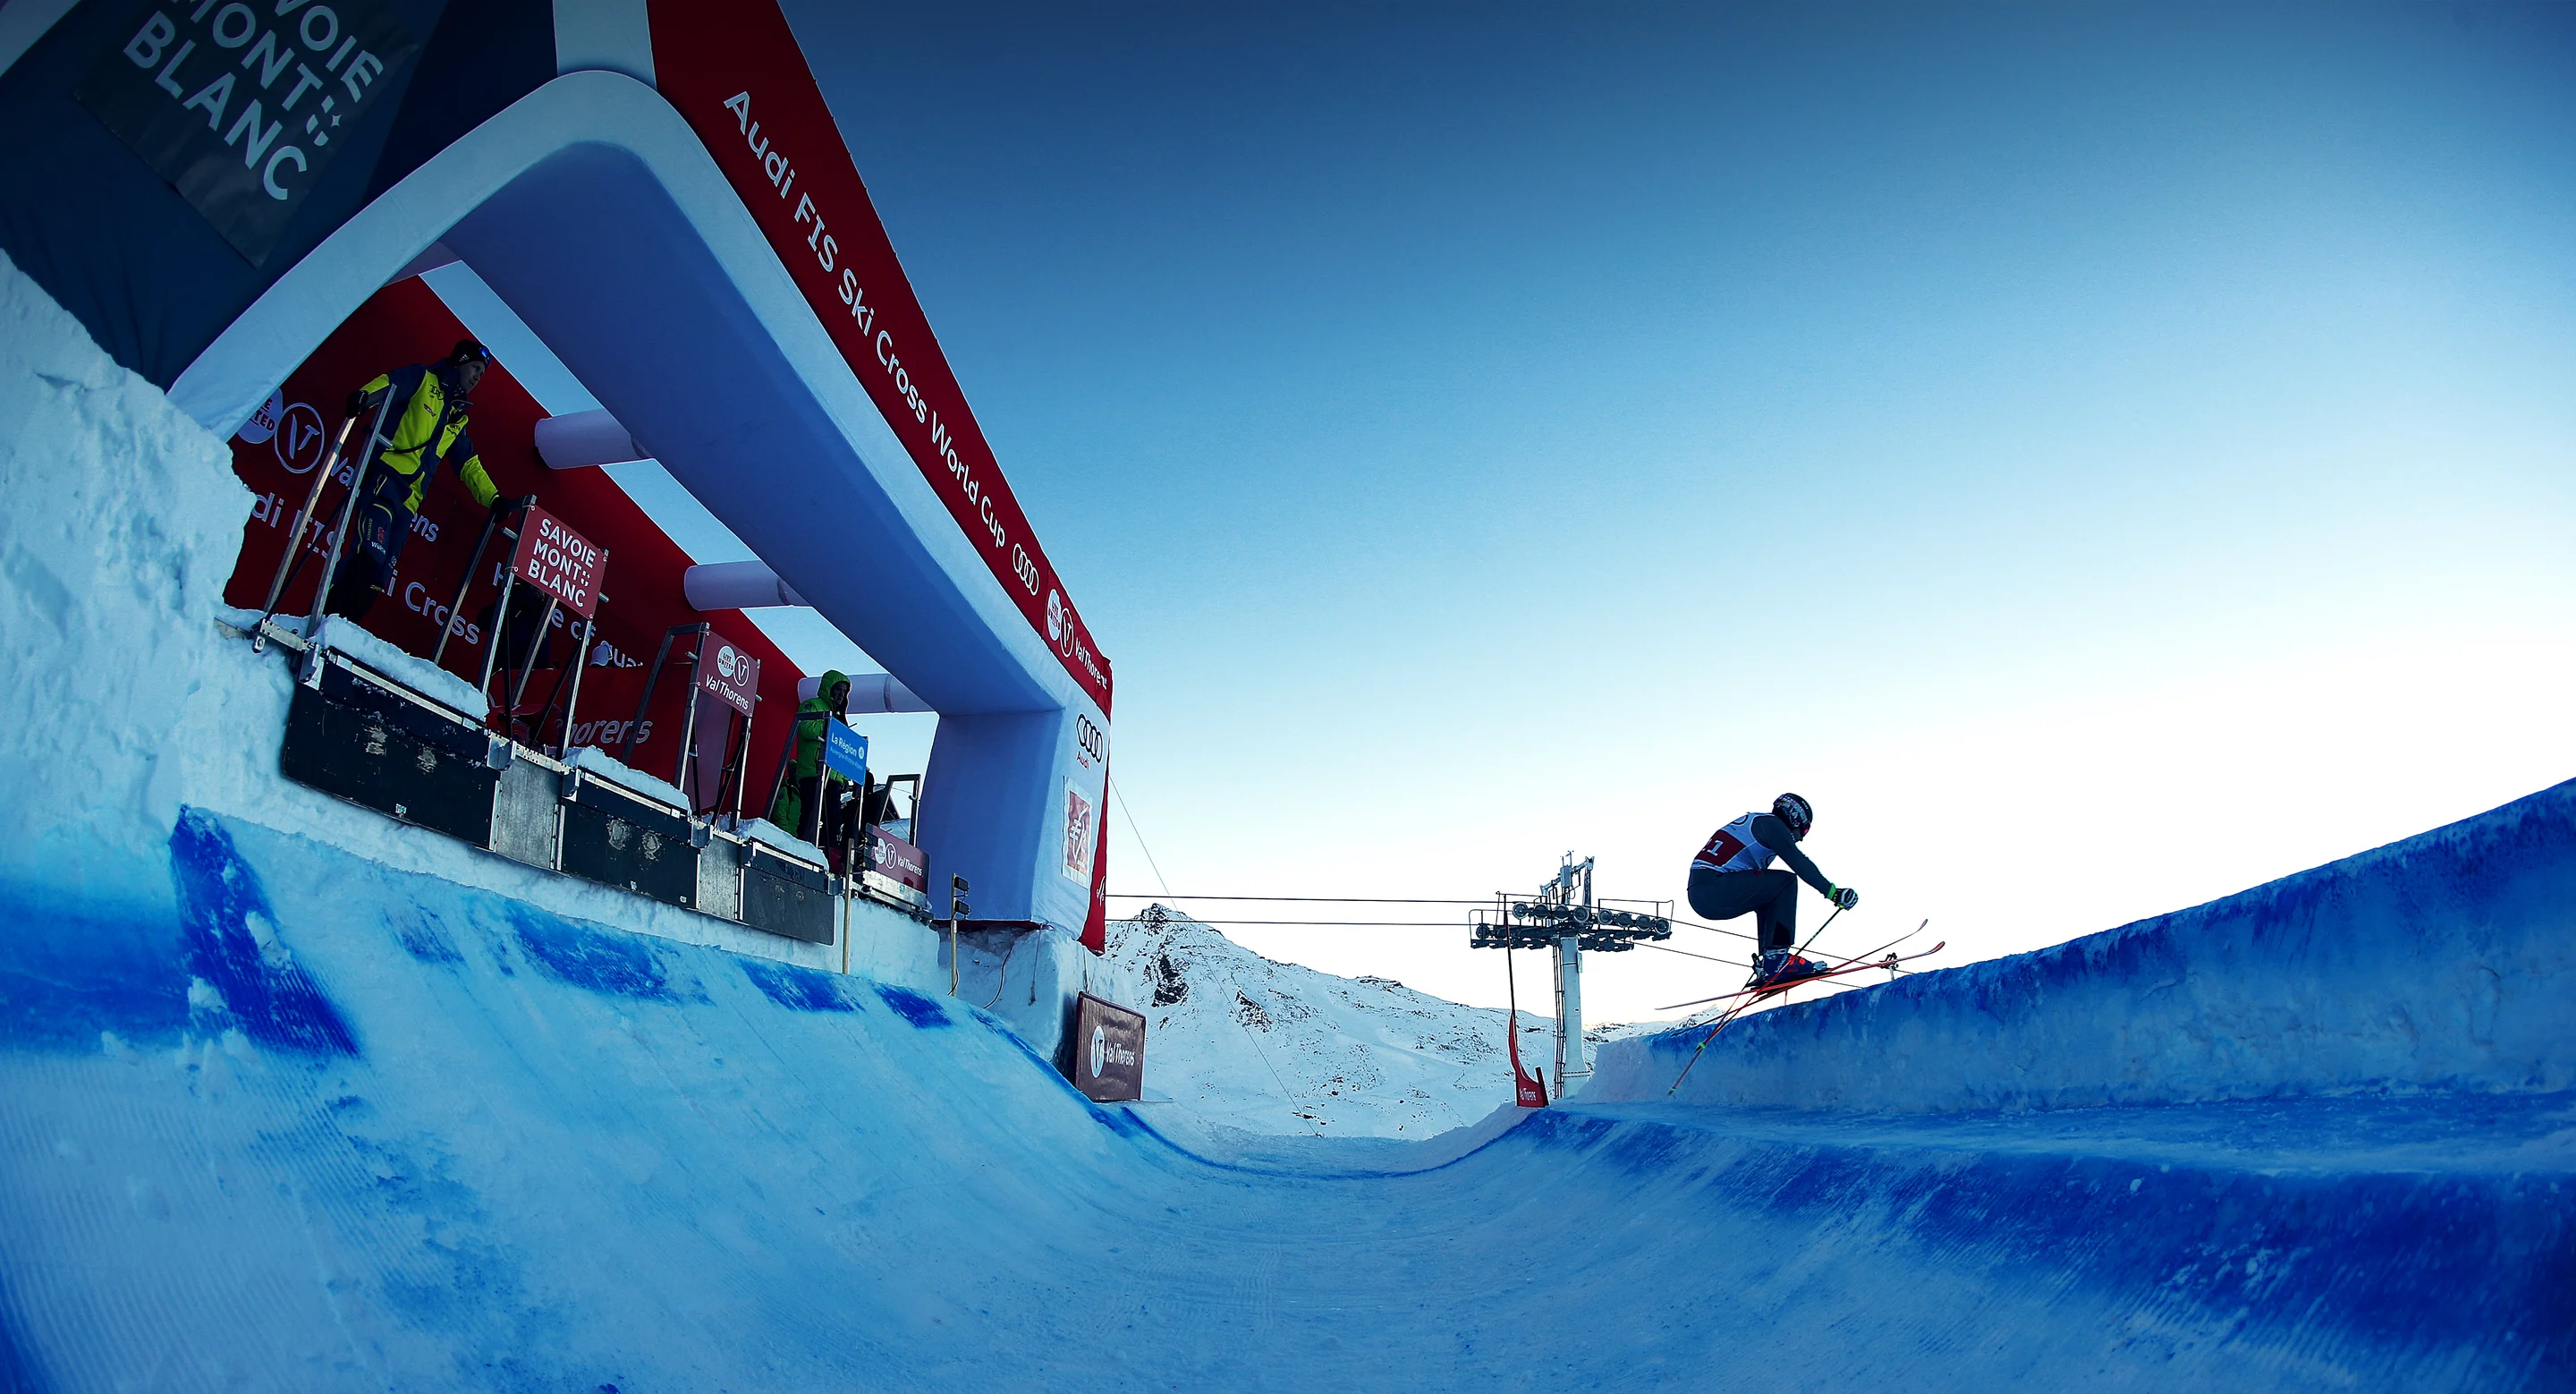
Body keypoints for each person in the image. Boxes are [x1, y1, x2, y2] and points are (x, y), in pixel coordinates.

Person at [322, 340, 504, 621]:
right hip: (386, 478)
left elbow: (469, 464)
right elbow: (389, 383)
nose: (478, 376)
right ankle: (324, 620)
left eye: (482, 373)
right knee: (370, 553)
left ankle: (341, 633)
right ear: (460, 362)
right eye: (476, 367)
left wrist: (494, 499)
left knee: (380, 576)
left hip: (410, 502)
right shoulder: (423, 378)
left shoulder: (458, 418)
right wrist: (364, 396)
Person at [1686, 793, 1860, 988]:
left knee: (1769, 895)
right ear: (1795, 817)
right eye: (1804, 830)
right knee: (1785, 882)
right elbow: (1798, 862)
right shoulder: (1772, 825)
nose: (1800, 838)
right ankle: (1777, 961)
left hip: (1702, 892)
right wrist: (1833, 892)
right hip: (1715, 886)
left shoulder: (1757, 823)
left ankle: (1770, 963)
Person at [768, 669, 852, 851]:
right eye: (838, 689)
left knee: (834, 819)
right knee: (809, 815)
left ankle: (830, 855)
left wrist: (845, 777)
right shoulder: (812, 705)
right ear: (828, 688)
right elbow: (805, 727)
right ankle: (801, 850)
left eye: (844, 692)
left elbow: (842, 751)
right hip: (813, 773)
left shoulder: (839, 718)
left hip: (833, 778)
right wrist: (830, 727)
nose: (841, 694)